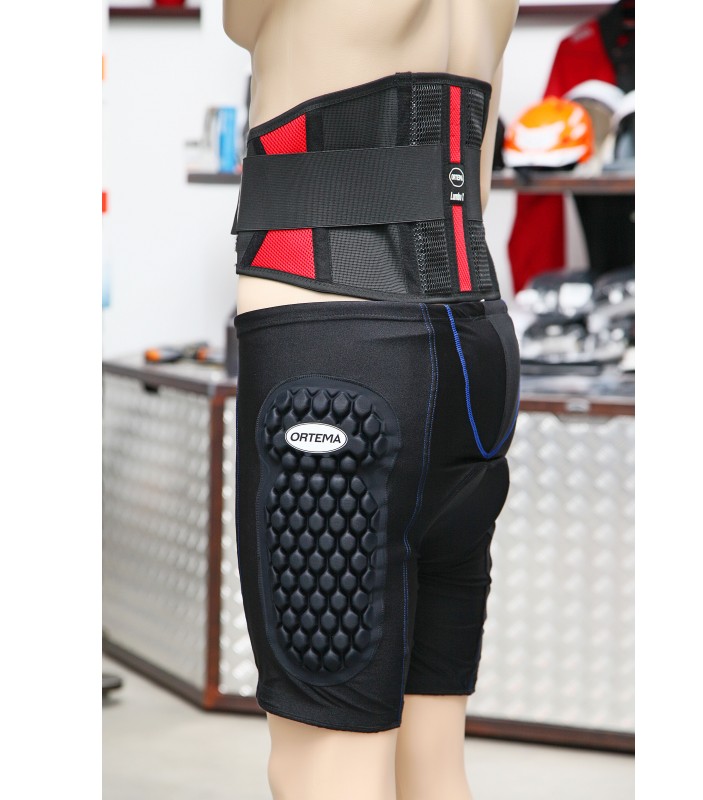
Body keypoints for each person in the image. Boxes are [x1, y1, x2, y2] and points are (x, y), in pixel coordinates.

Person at [223, 2, 520, 798]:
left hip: (337, 363)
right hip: (474, 351)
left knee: (325, 761)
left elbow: (239, 24)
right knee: (433, 757)